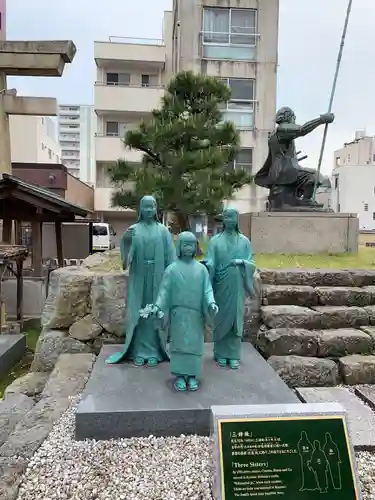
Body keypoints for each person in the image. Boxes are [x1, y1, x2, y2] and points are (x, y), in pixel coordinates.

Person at [106, 195, 176, 367]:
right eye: (145, 207)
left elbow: (171, 258)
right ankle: (138, 350)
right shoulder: (134, 229)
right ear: (140, 209)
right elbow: (125, 260)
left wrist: (171, 278)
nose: (149, 210)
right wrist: (127, 241)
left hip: (158, 277)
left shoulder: (163, 231)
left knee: (156, 311)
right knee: (138, 312)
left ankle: (155, 351)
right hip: (139, 276)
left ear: (156, 209)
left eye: (151, 207)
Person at [152, 231, 218, 392]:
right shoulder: (172, 269)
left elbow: (207, 290)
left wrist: (211, 303)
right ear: (179, 247)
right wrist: (158, 306)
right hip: (178, 313)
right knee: (179, 344)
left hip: (196, 315)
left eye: (191, 244)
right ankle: (180, 375)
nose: (188, 248)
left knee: (195, 345)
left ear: (196, 247)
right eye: (185, 244)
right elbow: (164, 291)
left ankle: (193, 375)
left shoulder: (202, 270)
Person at [204, 208, 256, 369]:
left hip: (237, 285)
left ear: (237, 219)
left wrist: (242, 263)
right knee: (221, 318)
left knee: (236, 319)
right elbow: (210, 260)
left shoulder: (244, 241)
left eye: (232, 217)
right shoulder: (215, 241)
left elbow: (251, 263)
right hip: (221, 284)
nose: (228, 220)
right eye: (226, 217)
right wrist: (207, 266)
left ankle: (233, 355)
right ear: (223, 219)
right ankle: (220, 353)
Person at [254, 107, 334, 210]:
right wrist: (321, 120)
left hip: (281, 171)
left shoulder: (275, 135)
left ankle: (302, 200)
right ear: (288, 116)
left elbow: (282, 154)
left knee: (310, 176)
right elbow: (302, 130)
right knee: (315, 176)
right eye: (293, 117)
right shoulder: (283, 129)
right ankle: (306, 200)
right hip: (285, 172)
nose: (294, 120)